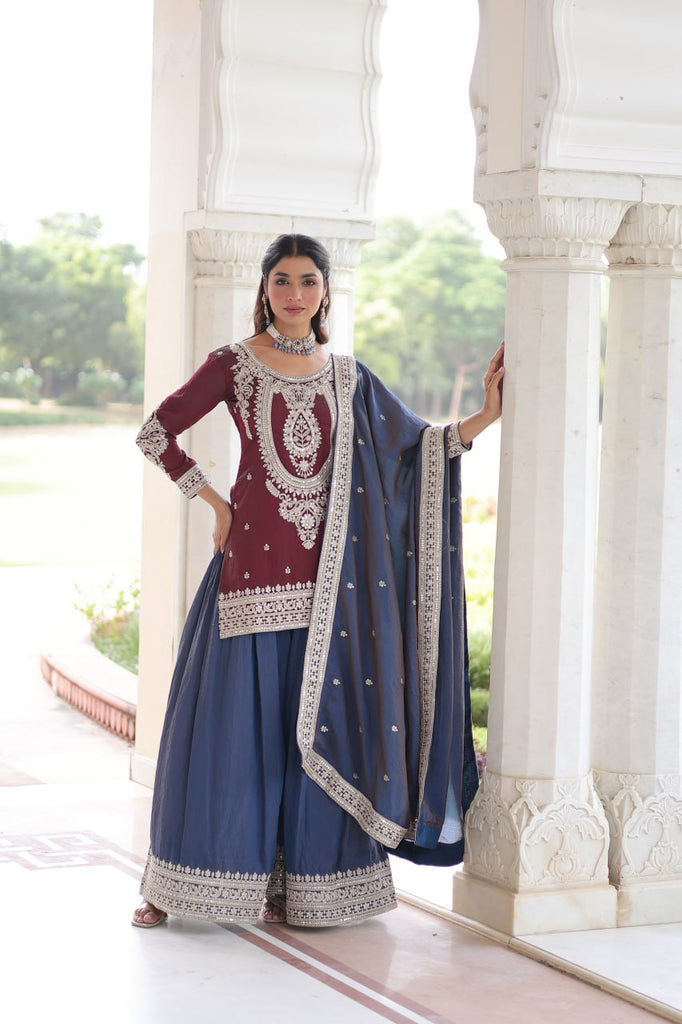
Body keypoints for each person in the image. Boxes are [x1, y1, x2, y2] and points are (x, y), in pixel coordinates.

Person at [132, 233, 504, 929]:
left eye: (308, 281)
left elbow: (414, 452)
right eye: (282, 280)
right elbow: (157, 432)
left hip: (333, 589)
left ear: (325, 292)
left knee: (316, 733)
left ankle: (303, 886)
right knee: (226, 736)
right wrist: (216, 503)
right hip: (248, 577)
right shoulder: (233, 365)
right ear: (265, 289)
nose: (295, 293)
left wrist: (484, 416)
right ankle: (181, 883)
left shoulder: (350, 377)